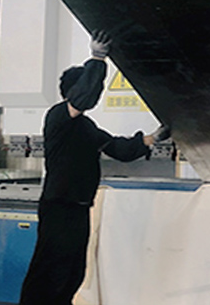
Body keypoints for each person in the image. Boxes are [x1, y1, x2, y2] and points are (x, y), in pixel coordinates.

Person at [19, 31, 170, 305]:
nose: (96, 94)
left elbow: (119, 149)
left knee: (73, 271)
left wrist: (153, 138)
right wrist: (97, 59)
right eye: (91, 87)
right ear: (72, 90)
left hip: (78, 206)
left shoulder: (87, 127)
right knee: (51, 269)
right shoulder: (58, 116)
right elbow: (84, 97)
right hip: (59, 206)